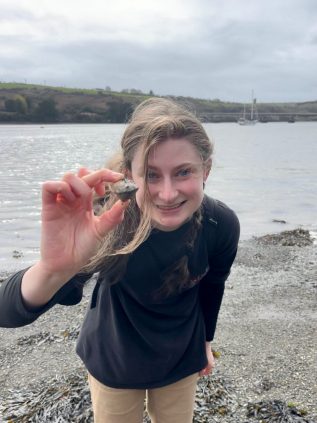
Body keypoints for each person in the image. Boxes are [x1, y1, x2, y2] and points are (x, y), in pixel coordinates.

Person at [0, 98, 240, 423]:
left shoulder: (220, 224)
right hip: (114, 356)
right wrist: (54, 268)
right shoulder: (111, 223)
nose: (168, 194)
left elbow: (213, 286)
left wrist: (205, 341)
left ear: (205, 170)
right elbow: (7, 311)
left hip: (182, 356)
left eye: (183, 172)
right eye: (151, 175)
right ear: (129, 174)